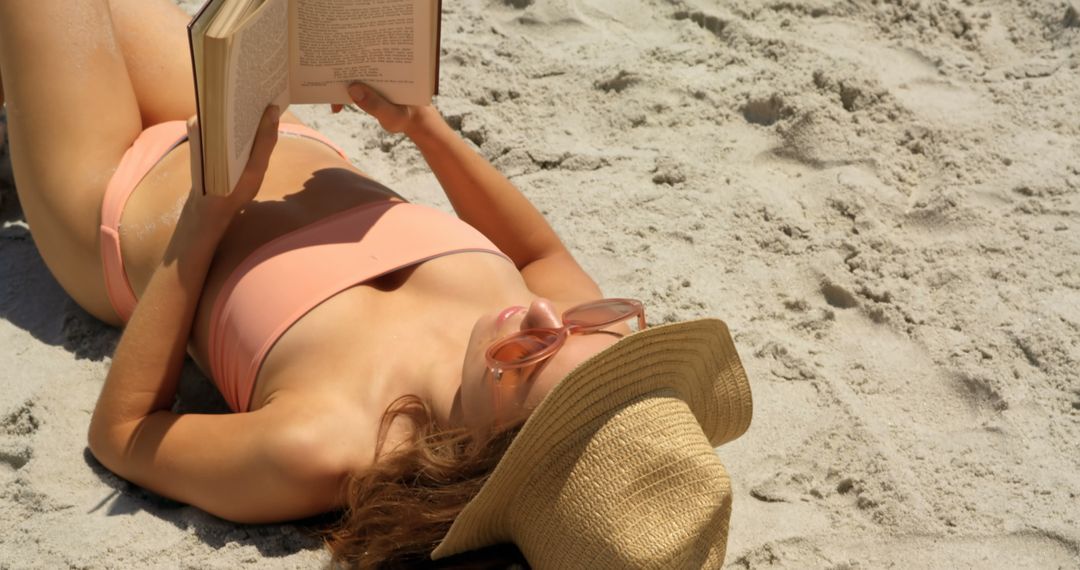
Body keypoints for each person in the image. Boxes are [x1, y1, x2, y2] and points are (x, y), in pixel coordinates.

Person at [0, 0, 638, 566]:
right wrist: (423, 125)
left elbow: (123, 434)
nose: (544, 318)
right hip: (250, 128)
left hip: (115, 198)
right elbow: (539, 251)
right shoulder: (576, 344)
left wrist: (207, 214)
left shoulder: (322, 446)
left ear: (482, 456)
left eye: (531, 358)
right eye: (575, 326)